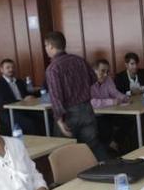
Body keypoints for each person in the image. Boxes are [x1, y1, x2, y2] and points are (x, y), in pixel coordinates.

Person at [44, 31, 108, 160]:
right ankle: (111, 170)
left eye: (46, 46)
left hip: (68, 114)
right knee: (93, 146)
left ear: (51, 46)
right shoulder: (79, 60)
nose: (45, 49)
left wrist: (59, 120)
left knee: (65, 150)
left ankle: (70, 179)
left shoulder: (53, 68)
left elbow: (56, 96)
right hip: (87, 109)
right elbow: (93, 79)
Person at [90, 59, 132, 153]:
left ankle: (115, 143)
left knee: (128, 121)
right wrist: (111, 102)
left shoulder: (108, 79)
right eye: (102, 71)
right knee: (105, 126)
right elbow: (91, 102)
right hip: (95, 116)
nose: (105, 74)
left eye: (107, 71)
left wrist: (125, 98)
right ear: (94, 71)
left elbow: (114, 93)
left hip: (109, 112)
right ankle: (111, 148)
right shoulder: (87, 82)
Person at [0, 58, 40, 135]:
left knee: (43, 117)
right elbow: (1, 103)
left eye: (13, 67)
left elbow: (26, 95)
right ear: (1, 70)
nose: (11, 69)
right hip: (9, 113)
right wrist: (23, 101)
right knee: (30, 123)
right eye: (8, 68)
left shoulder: (19, 81)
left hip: (25, 109)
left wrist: (38, 93)